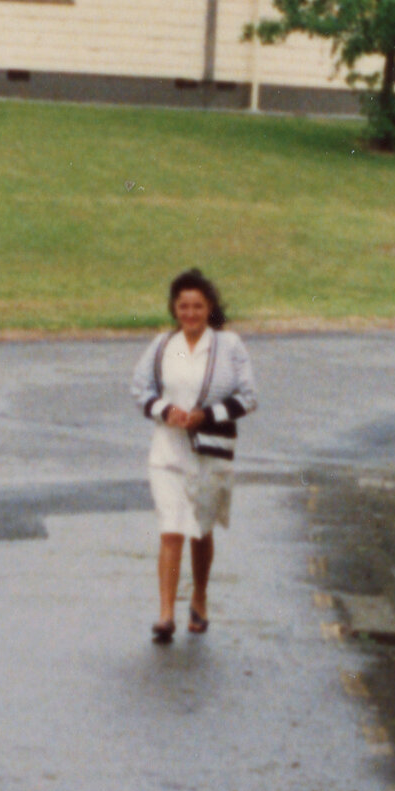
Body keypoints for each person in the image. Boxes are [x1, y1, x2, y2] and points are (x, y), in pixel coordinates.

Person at [130, 268, 257, 644]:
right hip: (167, 452)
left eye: (197, 306)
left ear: (210, 307)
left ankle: (199, 596)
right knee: (171, 530)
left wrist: (206, 416)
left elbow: (248, 397)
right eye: (183, 306)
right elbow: (140, 388)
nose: (189, 313)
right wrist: (165, 411)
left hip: (209, 454)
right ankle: (166, 614)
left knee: (200, 530)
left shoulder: (229, 345)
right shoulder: (161, 345)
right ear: (174, 308)